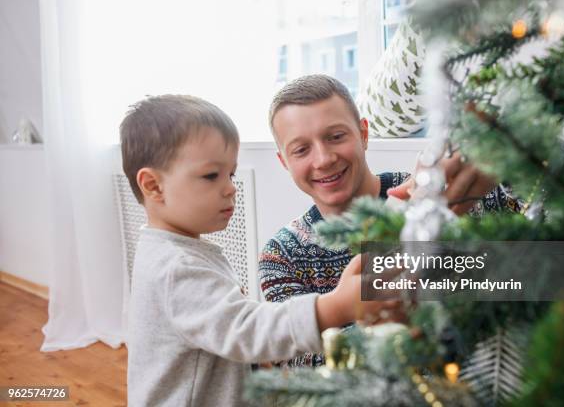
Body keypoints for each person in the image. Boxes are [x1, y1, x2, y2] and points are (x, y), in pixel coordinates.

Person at [120, 94, 399, 407]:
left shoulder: (428, 198)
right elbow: (258, 338)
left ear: (363, 134)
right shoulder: (277, 255)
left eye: (231, 174)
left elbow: (463, 289)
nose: (230, 188)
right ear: (154, 186)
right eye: (212, 175)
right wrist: (337, 307)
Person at [258, 74, 522, 367]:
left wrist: (510, 160)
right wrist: (406, 230)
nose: (323, 159)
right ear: (284, 161)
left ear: (364, 135)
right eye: (301, 149)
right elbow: (312, 371)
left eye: (335, 136)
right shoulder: (282, 256)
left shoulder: (444, 189)